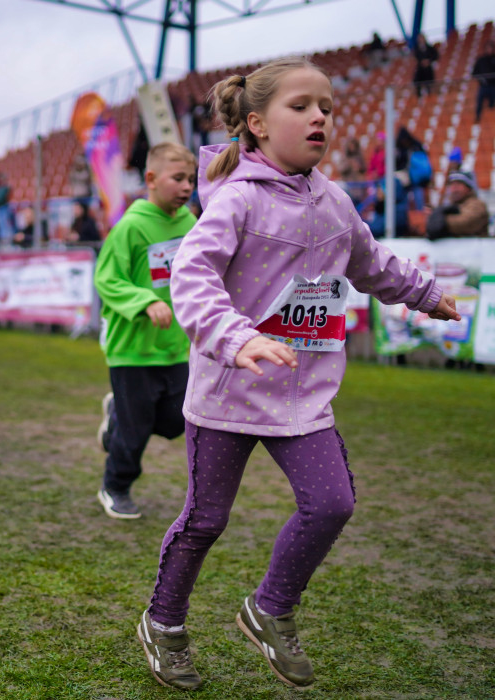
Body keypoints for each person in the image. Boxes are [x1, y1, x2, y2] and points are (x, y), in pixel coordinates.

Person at [136, 57, 461, 691]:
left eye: (327, 107)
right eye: (301, 106)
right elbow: (192, 279)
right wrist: (238, 339)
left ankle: (270, 608)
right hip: (229, 393)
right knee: (206, 519)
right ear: (255, 124)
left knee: (332, 503)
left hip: (302, 398)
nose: (319, 117)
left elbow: (372, 263)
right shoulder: (235, 200)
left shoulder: (335, 201)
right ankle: (164, 623)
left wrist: (425, 294)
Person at [93, 142, 196, 519]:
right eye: (178, 178)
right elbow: (107, 279)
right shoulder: (131, 226)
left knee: (175, 422)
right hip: (133, 349)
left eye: (191, 179)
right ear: (150, 179)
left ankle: (117, 414)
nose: (187, 187)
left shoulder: (190, 223)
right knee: (134, 434)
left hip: (176, 346)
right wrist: (144, 301)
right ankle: (115, 486)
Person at [425, 171, 490, 239]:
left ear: (468, 188)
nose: (454, 189)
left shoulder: (477, 205)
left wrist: (439, 219)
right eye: (452, 185)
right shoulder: (450, 206)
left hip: (476, 248)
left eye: (458, 185)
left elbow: (467, 223)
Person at [471, 39, 495, 122]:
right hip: (483, 85)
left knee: (492, 103)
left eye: (491, 48)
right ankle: (478, 117)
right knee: (479, 100)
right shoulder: (481, 60)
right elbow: (474, 73)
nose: (489, 50)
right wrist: (481, 79)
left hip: (493, 85)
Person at [412, 33, 438, 97]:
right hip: (421, 70)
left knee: (428, 84)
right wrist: (422, 62)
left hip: (428, 70)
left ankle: (429, 95)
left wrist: (428, 61)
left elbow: (435, 55)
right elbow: (416, 56)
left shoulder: (430, 48)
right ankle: (419, 95)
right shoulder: (417, 49)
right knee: (418, 82)